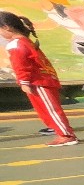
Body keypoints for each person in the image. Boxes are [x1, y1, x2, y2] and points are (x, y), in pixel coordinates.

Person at [0, 10, 78, 146]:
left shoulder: (16, 44)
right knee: (47, 109)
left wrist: (24, 82)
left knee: (50, 110)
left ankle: (66, 135)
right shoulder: (25, 41)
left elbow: (21, 65)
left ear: (7, 27)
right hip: (43, 80)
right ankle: (62, 132)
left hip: (38, 81)